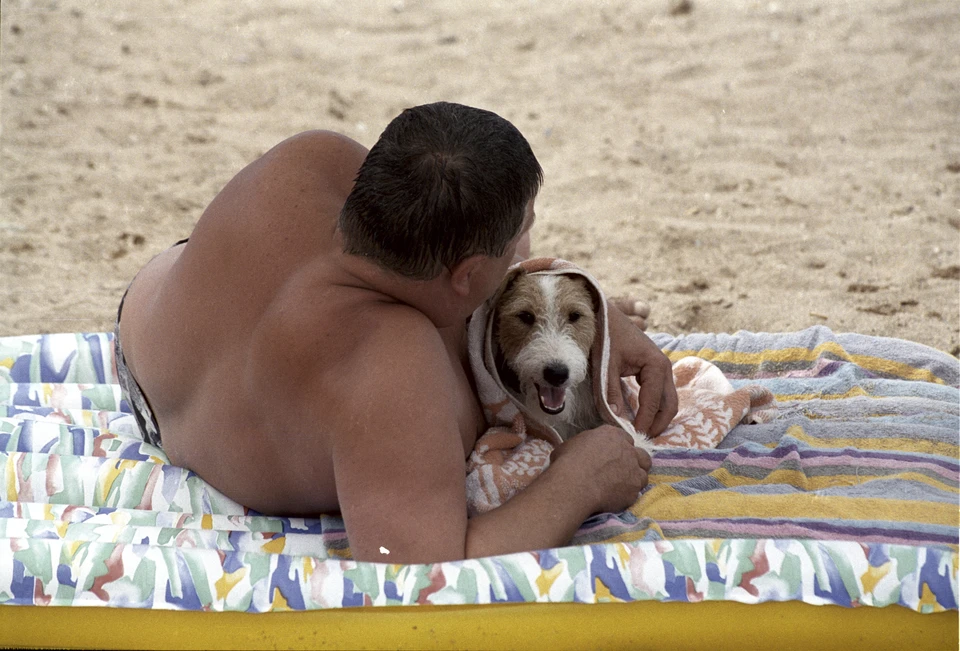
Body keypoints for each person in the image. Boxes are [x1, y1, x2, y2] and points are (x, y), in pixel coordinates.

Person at [114, 102, 678, 563]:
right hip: (191, 423)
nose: (524, 253)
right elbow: (418, 575)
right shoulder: (389, 366)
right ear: (467, 276)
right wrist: (578, 480)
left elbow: (428, 251)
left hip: (154, 320)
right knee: (448, 393)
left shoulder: (313, 157)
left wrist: (584, 308)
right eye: (518, 241)